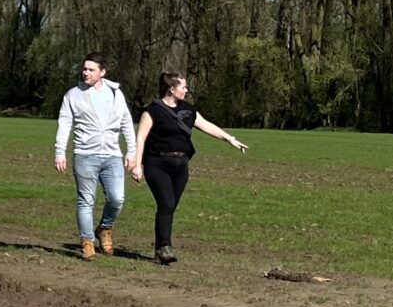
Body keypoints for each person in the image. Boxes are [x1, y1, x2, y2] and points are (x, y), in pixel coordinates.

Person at [130, 73, 248, 264]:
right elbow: (141, 138)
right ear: (172, 89)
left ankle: (160, 248)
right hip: (157, 164)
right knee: (167, 204)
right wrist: (137, 165)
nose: (186, 90)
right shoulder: (152, 111)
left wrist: (229, 139)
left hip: (180, 166)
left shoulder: (188, 110)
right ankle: (164, 247)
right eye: (183, 87)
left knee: (169, 207)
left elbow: (206, 125)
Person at [51, 55, 134, 255]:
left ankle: (105, 228)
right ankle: (87, 241)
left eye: (91, 70)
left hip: (112, 155)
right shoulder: (73, 95)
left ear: (102, 72)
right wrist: (60, 151)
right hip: (85, 155)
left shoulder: (115, 93)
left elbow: (126, 123)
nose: (86, 73)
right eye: (84, 69)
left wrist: (132, 150)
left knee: (117, 199)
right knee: (86, 200)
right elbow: (65, 124)